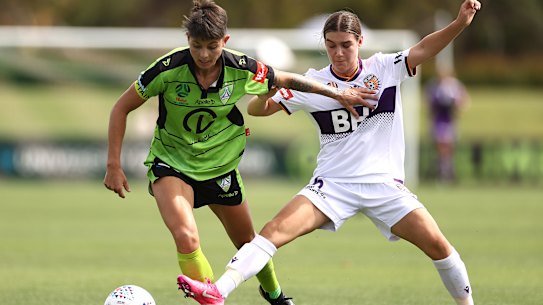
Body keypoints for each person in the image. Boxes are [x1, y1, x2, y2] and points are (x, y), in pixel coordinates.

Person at [176, 1, 481, 305]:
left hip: (384, 186)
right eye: (331, 45)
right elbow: (258, 110)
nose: (338, 52)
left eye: (346, 45)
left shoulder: (384, 68)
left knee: (439, 247)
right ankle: (219, 290)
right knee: (271, 232)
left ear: (360, 42)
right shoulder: (314, 82)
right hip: (333, 185)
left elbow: (425, 48)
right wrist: (269, 88)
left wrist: (459, 24)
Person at [103, 1, 375, 305]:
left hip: (220, 167)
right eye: (196, 46)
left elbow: (286, 79)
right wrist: (113, 163)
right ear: (187, 42)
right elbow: (121, 107)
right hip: (172, 163)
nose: (204, 55)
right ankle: (213, 299)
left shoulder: (242, 68)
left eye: (211, 46)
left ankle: (275, 296)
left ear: (225, 42)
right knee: (186, 237)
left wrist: (337, 92)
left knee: (250, 243)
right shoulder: (166, 70)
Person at [425, 67, 469, 182]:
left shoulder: (455, 87)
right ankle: (443, 172)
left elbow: (462, 103)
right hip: (438, 121)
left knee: (448, 147)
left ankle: (448, 172)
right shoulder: (434, 87)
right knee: (441, 147)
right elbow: (429, 105)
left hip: (450, 121)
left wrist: (456, 107)